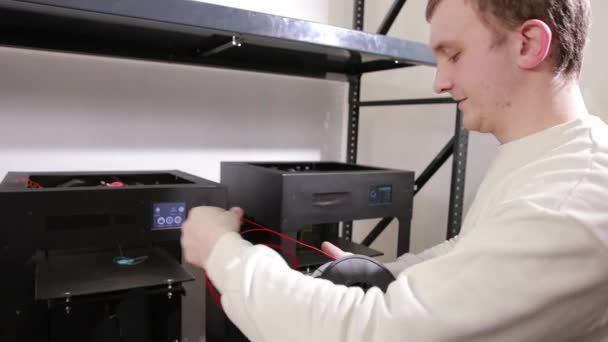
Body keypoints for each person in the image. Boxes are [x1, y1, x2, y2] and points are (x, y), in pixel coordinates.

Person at [180, 0, 608, 340]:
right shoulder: (544, 160)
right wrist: (390, 275)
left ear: (528, 44)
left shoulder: (572, 198)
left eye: (453, 55)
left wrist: (222, 250)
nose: (438, 83)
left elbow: (372, 332)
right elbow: (474, 248)